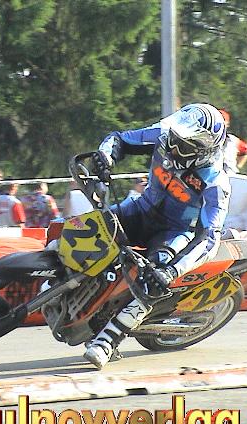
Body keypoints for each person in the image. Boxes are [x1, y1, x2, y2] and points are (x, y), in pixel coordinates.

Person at [84, 103, 231, 369]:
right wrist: (105, 157)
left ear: (203, 150)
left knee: (153, 278)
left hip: (174, 232)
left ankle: (109, 339)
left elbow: (210, 237)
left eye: (183, 146)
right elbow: (119, 138)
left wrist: (172, 271)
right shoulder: (163, 135)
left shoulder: (215, 183)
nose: (173, 148)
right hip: (140, 209)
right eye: (174, 139)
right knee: (90, 224)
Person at [218, 108, 247, 174]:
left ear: (227, 124)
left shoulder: (233, 140)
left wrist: (239, 165)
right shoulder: (205, 137)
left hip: (229, 173)